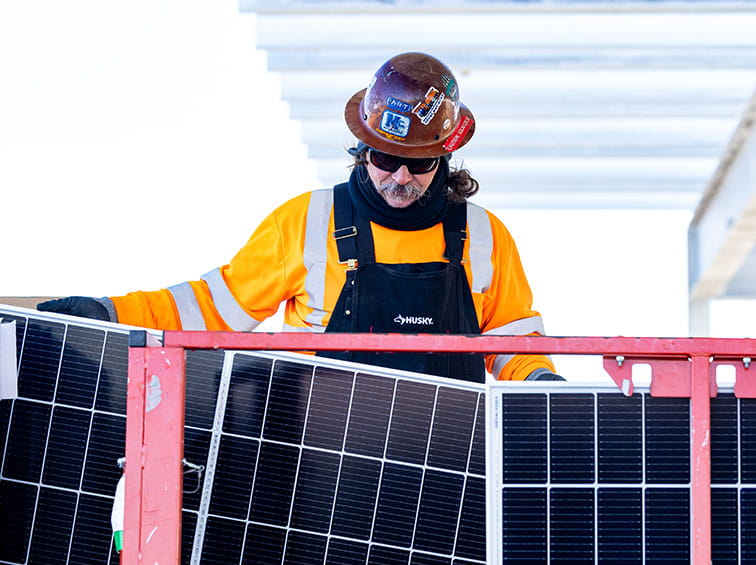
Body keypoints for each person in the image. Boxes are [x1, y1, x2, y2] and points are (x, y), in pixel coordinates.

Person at [38, 52, 562, 384]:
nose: (400, 177)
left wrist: (543, 385)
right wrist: (104, 314)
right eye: (384, 158)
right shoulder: (307, 221)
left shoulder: (484, 235)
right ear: (362, 149)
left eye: (420, 163)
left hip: (450, 467)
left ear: (444, 158)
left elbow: (515, 343)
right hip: (319, 478)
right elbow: (209, 309)